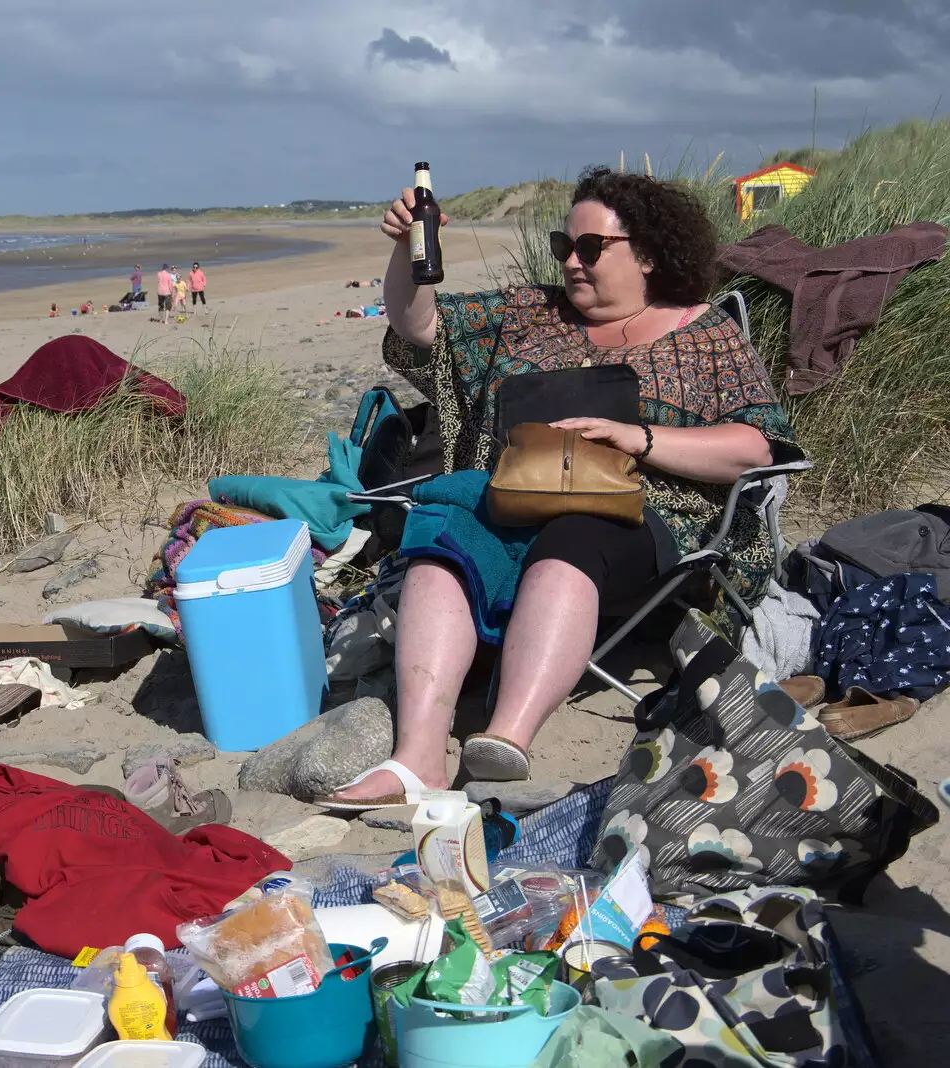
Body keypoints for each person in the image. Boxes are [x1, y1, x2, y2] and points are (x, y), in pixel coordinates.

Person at [321, 166, 798, 805]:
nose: (572, 262)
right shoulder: (527, 313)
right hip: (513, 503)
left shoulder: (703, 334)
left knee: (575, 534)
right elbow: (420, 328)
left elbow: (758, 446)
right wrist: (408, 249)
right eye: (563, 247)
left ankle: (505, 739)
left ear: (650, 256)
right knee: (446, 535)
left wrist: (642, 439)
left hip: (646, 520)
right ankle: (418, 761)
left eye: (591, 248)